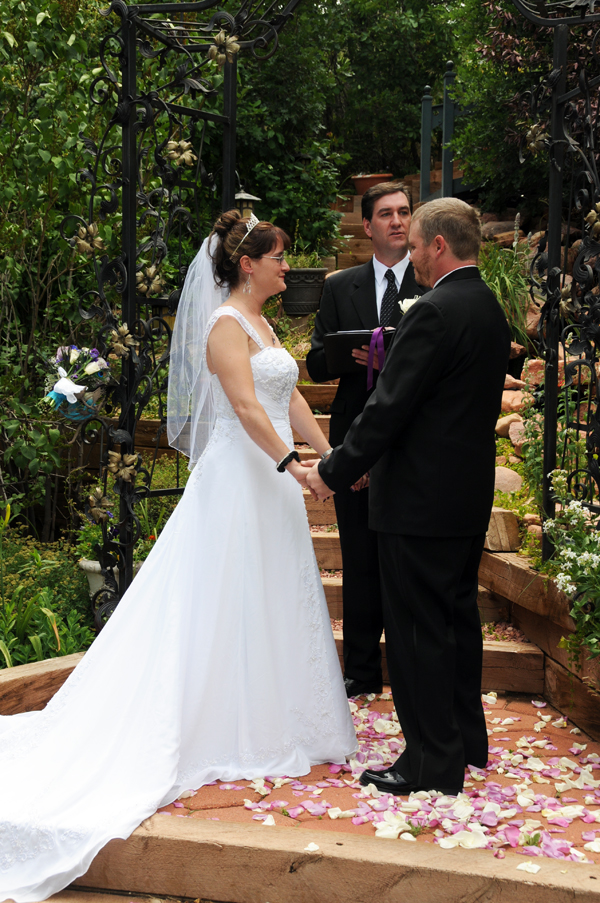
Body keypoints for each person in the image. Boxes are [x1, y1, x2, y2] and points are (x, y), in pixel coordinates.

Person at [0, 211, 357, 902]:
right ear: (248, 263)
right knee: (220, 598)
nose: (290, 266)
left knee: (272, 596)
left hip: (272, 480)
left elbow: (290, 404)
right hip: (240, 481)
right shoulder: (224, 325)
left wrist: (329, 456)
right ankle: (217, 718)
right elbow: (250, 411)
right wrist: (293, 465)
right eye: (280, 256)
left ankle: (281, 713)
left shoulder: (265, 325)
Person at [306, 198, 511, 795]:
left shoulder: (435, 312)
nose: (412, 254)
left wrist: (335, 471)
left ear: (439, 246)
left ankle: (429, 762)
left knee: (419, 633)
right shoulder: (488, 307)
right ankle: (467, 742)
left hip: (418, 504)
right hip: (462, 499)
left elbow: (388, 409)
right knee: (456, 622)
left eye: (418, 244)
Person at [307, 181, 424, 698]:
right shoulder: (341, 286)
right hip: (355, 435)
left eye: (404, 212)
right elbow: (314, 361)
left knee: (404, 556)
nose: (398, 221)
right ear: (368, 225)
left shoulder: (432, 281)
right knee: (357, 554)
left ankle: (409, 664)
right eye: (387, 214)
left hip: (414, 440)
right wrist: (348, 355)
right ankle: (359, 668)